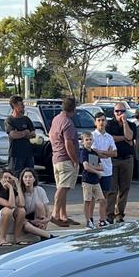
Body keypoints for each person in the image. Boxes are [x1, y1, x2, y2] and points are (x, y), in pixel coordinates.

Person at [49, 97, 80, 227]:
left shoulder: (56, 119)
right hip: (65, 159)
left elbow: (50, 135)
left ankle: (63, 216)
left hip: (56, 157)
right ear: (73, 109)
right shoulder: (67, 123)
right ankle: (55, 214)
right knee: (63, 188)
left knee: (63, 188)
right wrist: (75, 160)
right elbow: (68, 143)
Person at [105, 103, 136, 223]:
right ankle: (109, 214)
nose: (119, 113)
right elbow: (110, 138)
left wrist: (124, 123)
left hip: (127, 159)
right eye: (117, 111)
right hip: (113, 160)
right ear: (114, 112)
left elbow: (130, 136)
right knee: (112, 189)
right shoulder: (109, 124)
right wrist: (124, 139)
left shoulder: (131, 124)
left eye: (122, 111)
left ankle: (120, 214)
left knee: (124, 188)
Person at [79, 132, 107, 228]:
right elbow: (86, 167)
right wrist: (96, 171)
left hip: (95, 181)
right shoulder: (84, 152)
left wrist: (95, 168)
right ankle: (88, 221)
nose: (89, 141)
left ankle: (102, 220)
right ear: (83, 142)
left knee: (102, 200)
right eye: (86, 140)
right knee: (87, 201)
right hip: (87, 180)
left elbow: (101, 167)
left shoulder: (94, 153)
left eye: (90, 139)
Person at [18, 167, 53, 237]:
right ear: (22, 179)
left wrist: (47, 219)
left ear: (34, 179)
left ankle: (41, 229)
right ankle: (47, 235)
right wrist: (32, 221)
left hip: (38, 216)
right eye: (25, 177)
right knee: (27, 226)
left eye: (30, 177)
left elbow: (47, 209)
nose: (28, 179)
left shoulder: (40, 190)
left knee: (39, 204)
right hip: (25, 219)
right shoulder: (19, 192)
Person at [5, 95, 35, 175]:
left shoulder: (26, 119)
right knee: (15, 177)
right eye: (21, 105)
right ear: (15, 106)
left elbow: (33, 134)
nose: (23, 106)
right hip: (15, 154)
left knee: (29, 176)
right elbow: (13, 135)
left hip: (28, 154)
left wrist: (20, 133)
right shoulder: (9, 120)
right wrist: (25, 132)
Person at [91, 113, 117, 200]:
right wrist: (107, 153)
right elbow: (94, 153)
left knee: (104, 196)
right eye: (99, 120)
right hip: (95, 169)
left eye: (103, 120)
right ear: (95, 122)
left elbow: (114, 153)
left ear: (106, 122)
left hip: (107, 170)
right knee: (92, 197)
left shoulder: (109, 137)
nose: (101, 122)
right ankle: (90, 214)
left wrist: (102, 153)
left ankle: (103, 213)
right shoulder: (92, 136)